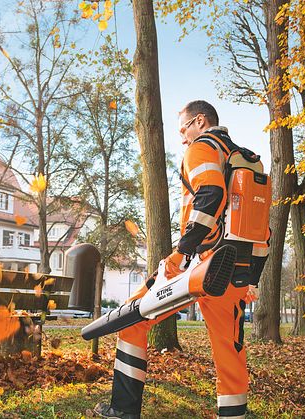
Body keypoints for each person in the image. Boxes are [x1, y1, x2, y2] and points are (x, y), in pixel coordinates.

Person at [94, 100, 259, 419]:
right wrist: (252, 277)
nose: (182, 138)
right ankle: (234, 416)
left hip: (196, 265)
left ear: (199, 121)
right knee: (230, 349)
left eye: (183, 129)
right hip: (234, 269)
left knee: (130, 320)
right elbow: (259, 224)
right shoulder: (245, 158)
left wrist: (182, 251)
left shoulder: (201, 147)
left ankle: (123, 410)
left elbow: (210, 195)